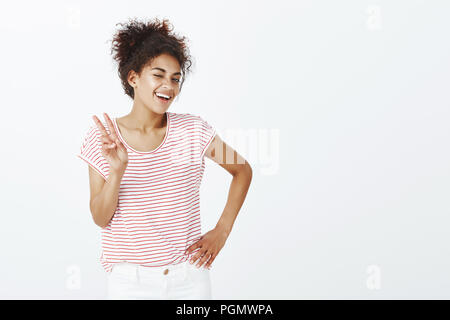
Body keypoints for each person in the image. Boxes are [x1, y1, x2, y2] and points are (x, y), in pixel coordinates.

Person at [76, 17, 253, 300]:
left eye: (176, 78)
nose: (168, 86)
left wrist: (222, 230)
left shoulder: (192, 130)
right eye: (158, 75)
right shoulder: (105, 136)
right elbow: (100, 217)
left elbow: (242, 170)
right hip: (129, 284)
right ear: (133, 78)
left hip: (189, 279)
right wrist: (117, 171)